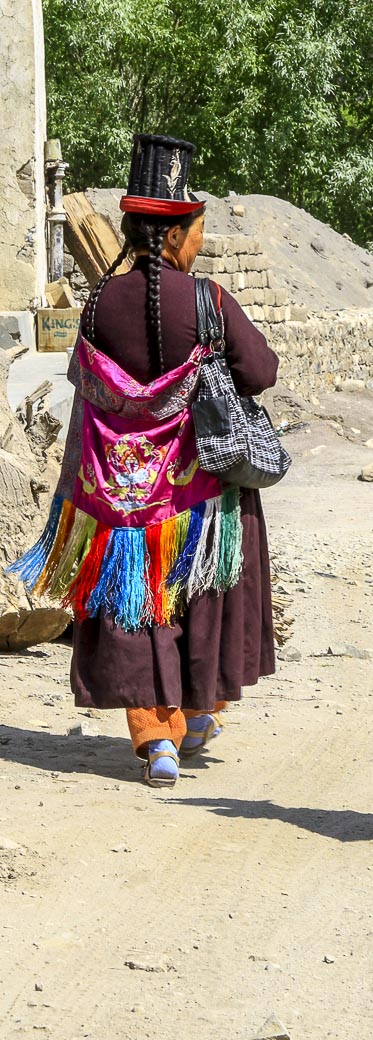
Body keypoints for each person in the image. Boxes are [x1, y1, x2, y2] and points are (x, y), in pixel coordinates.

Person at [11, 134, 278, 786]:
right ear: (176, 233)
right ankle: (196, 714)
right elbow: (262, 370)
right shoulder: (208, 302)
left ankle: (155, 739)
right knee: (202, 598)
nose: (201, 245)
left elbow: (88, 384)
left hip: (125, 494)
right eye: (197, 231)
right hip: (198, 497)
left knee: (139, 607)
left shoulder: (101, 303)